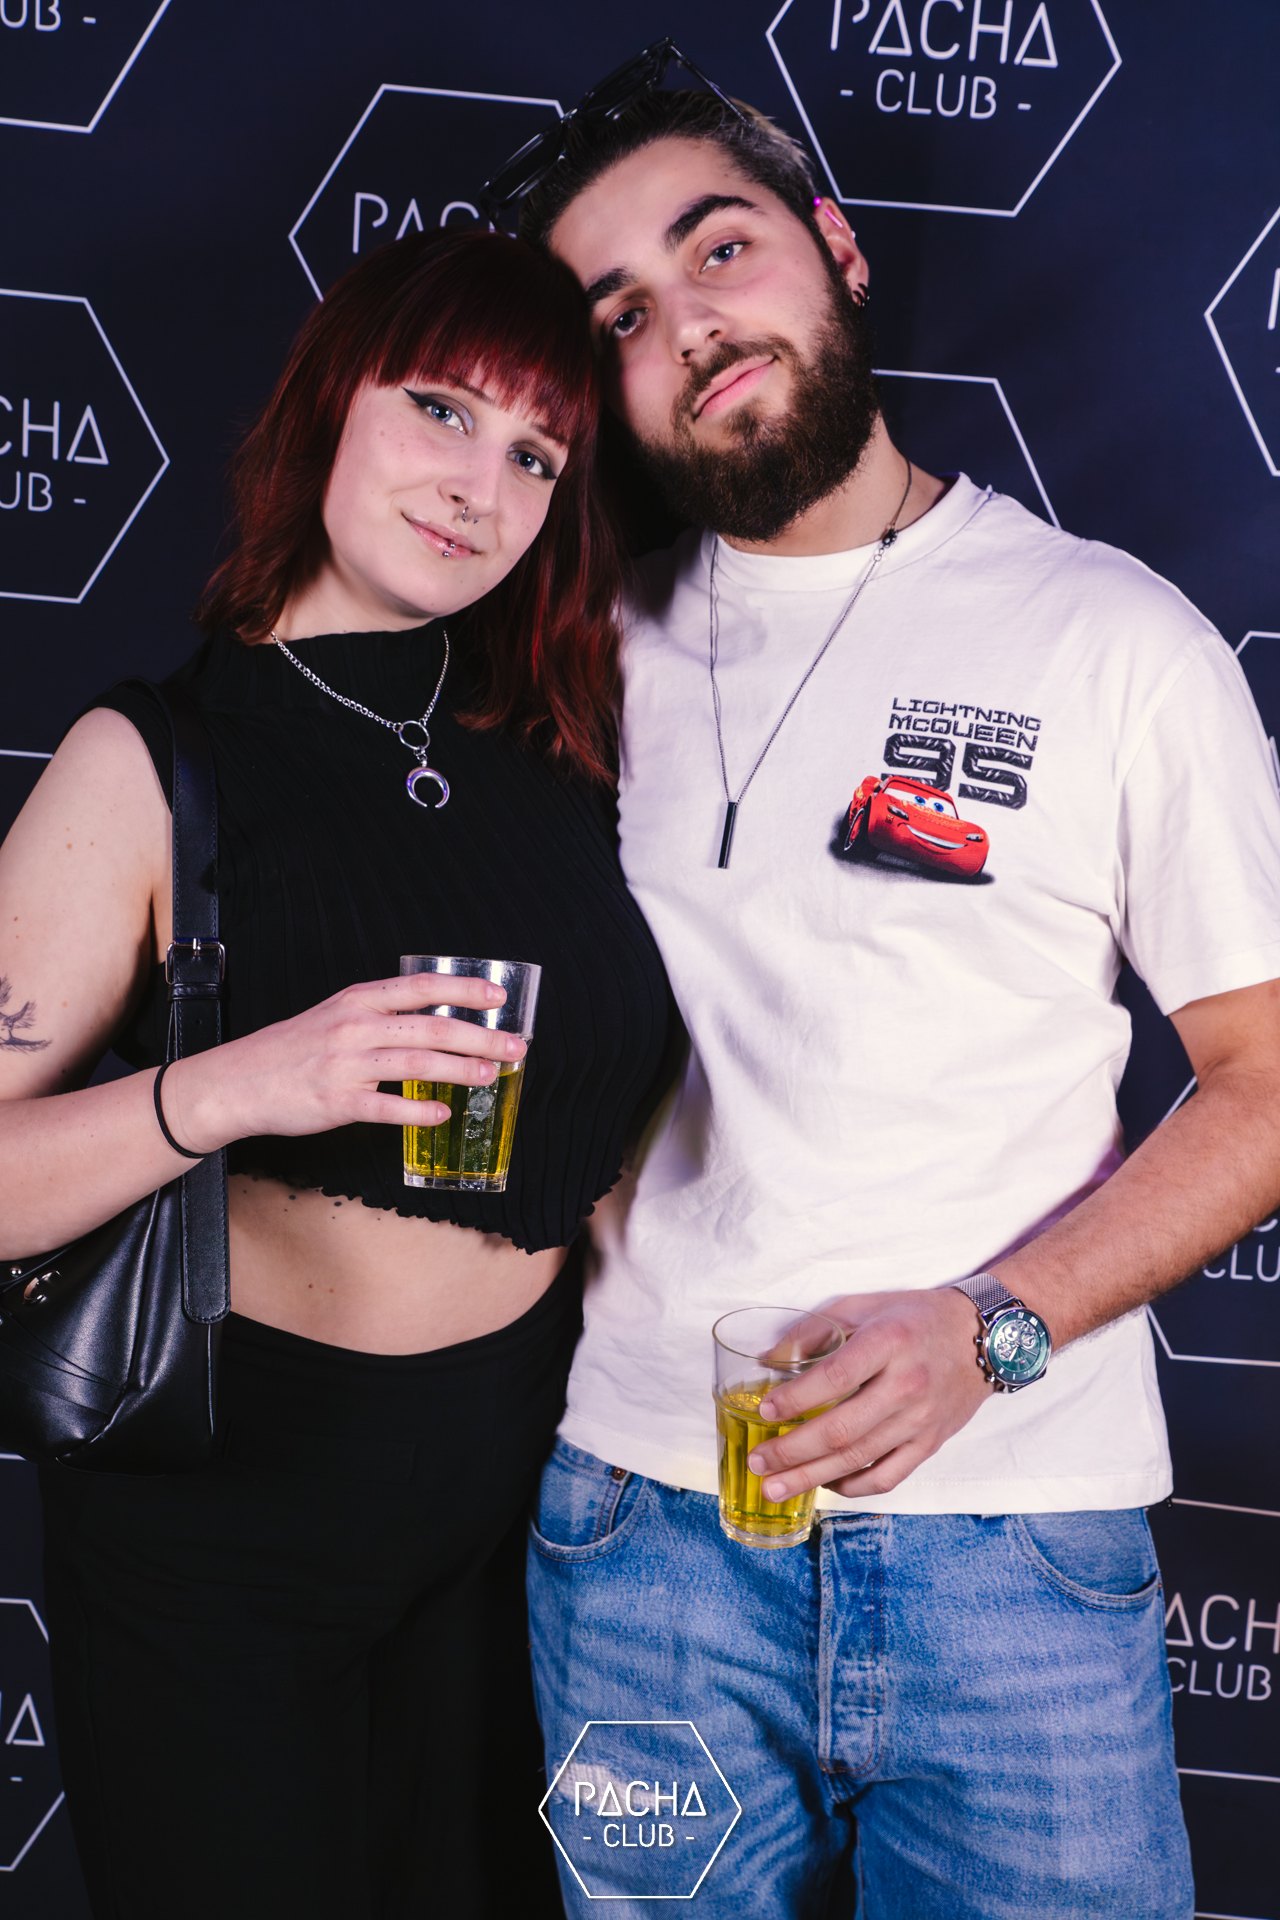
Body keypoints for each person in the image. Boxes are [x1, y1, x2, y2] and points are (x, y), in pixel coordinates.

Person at [488, 62, 1280, 1918]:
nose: (690, 327)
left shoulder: (1110, 638)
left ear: (835, 248)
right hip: (640, 1549)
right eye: (622, 316)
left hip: (1016, 1550)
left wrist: (987, 1328)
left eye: (720, 251)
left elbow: (1264, 1077)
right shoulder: (571, 659)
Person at [0, 227, 671, 1920]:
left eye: (535, 455)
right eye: (442, 409)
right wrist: (236, 1086)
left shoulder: (566, 746)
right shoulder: (156, 758)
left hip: (517, 1510)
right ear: (331, 402)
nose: (478, 486)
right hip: (232, 1527)